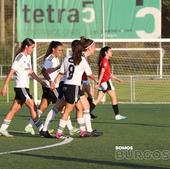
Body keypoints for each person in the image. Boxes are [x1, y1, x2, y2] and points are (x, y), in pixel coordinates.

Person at [24, 41, 78, 138]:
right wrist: (50, 80)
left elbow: (51, 70)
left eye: (62, 50)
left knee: (42, 108)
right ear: (53, 49)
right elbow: (44, 70)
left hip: (48, 87)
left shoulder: (55, 58)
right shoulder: (50, 58)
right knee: (62, 108)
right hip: (52, 87)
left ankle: (29, 125)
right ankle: (70, 129)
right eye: (59, 50)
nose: (61, 52)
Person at [0, 38, 44, 137]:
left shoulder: (27, 57)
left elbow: (31, 72)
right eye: (32, 48)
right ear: (26, 47)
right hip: (21, 87)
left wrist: (40, 81)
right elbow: (11, 72)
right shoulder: (19, 57)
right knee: (33, 107)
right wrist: (5, 86)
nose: (33, 50)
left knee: (15, 109)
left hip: (24, 88)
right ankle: (42, 129)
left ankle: (2, 128)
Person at [55, 40, 98, 139]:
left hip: (66, 86)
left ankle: (83, 131)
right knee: (67, 111)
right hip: (73, 87)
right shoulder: (82, 60)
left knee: (80, 108)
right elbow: (89, 74)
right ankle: (59, 132)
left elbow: (61, 73)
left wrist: (55, 82)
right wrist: (96, 80)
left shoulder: (67, 58)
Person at [90, 46, 127, 120]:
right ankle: (117, 115)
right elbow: (102, 73)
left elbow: (109, 74)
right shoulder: (105, 61)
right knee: (114, 97)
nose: (111, 53)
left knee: (98, 99)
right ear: (106, 53)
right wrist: (98, 83)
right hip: (106, 82)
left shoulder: (105, 60)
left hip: (103, 83)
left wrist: (117, 79)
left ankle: (86, 114)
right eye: (110, 51)